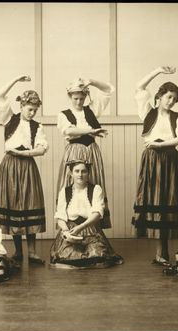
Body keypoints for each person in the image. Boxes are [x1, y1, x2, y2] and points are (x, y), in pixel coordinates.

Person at [131, 66, 178, 267]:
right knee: (156, 201)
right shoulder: (147, 112)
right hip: (151, 161)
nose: (171, 102)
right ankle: (160, 252)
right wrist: (157, 70)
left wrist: (161, 144)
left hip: (171, 161)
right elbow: (140, 86)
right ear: (159, 96)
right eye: (168, 97)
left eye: (174, 99)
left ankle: (165, 251)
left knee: (169, 201)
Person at [0, 75, 48, 265]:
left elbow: (41, 149)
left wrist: (26, 153)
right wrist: (15, 80)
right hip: (10, 166)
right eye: (29, 109)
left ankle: (31, 251)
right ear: (21, 106)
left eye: (35, 110)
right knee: (14, 205)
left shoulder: (37, 126)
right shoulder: (9, 119)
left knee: (29, 205)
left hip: (27, 166)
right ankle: (18, 251)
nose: (32, 113)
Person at [56, 78, 115, 229]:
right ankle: (68, 227)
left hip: (92, 152)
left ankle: (94, 227)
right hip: (74, 151)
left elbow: (108, 90)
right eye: (75, 98)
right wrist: (91, 130)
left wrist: (92, 82)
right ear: (70, 97)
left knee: (94, 183)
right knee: (72, 184)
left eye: (82, 98)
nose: (79, 102)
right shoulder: (63, 115)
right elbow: (69, 131)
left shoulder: (91, 111)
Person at [50, 160, 124, 269]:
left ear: (88, 173)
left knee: (97, 254)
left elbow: (97, 213)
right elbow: (60, 216)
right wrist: (66, 231)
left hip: (90, 229)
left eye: (84, 171)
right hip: (71, 231)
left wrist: (81, 227)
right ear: (71, 173)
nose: (80, 175)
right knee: (69, 256)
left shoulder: (95, 189)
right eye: (77, 171)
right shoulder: (64, 192)